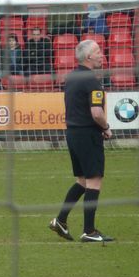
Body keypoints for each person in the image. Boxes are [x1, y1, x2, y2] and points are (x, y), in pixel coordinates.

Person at [49, 40, 114, 243]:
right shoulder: (91, 81)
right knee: (94, 181)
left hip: (73, 133)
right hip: (87, 134)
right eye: (97, 51)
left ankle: (60, 220)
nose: (101, 54)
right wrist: (105, 127)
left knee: (82, 181)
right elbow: (96, 113)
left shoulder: (72, 77)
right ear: (88, 57)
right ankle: (89, 231)